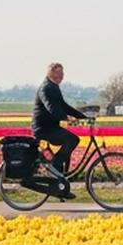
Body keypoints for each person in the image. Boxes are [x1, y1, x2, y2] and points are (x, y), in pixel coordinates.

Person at [31, 62, 90, 199]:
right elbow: (51, 107)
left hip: (51, 127)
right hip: (42, 129)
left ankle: (59, 182)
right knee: (72, 140)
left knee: (69, 143)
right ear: (50, 73)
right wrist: (66, 118)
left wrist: (83, 117)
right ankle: (56, 169)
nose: (61, 76)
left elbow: (63, 105)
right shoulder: (45, 88)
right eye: (58, 73)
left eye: (62, 73)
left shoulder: (54, 87)